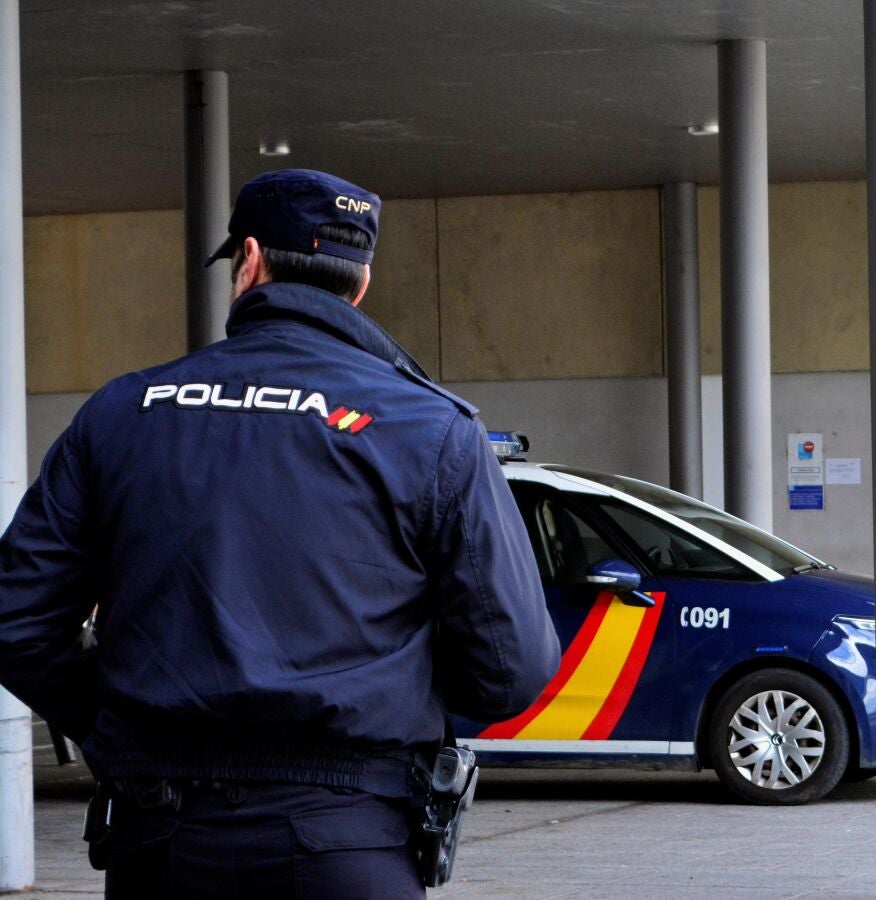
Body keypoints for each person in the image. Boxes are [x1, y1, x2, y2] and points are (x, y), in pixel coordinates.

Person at [0, 168, 563, 897]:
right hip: (350, 840)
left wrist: (116, 726)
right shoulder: (432, 428)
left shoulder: (121, 411)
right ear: (361, 282)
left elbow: (17, 618)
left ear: (250, 261)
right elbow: (512, 668)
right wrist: (387, 699)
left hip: (162, 840)